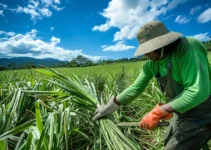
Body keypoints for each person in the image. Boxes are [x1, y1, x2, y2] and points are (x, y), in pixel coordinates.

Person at [93, 20, 211, 149]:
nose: (145, 54)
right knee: (167, 140)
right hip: (182, 111)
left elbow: (198, 91)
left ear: (161, 45)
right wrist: (107, 108)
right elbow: (135, 89)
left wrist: (159, 112)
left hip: (204, 112)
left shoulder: (187, 47)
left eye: (149, 50)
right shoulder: (152, 64)